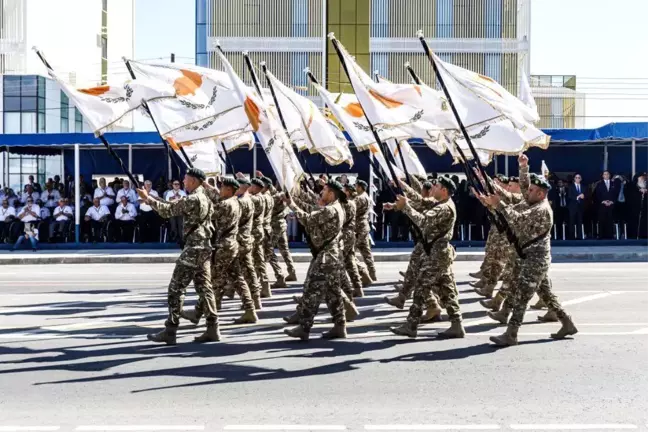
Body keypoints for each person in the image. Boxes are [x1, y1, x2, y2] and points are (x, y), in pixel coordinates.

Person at [478, 156, 578, 346]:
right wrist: (523, 168)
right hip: (525, 255)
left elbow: (516, 220)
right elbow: (524, 187)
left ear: (541, 194)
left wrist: (498, 204)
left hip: (535, 259)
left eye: (532, 190)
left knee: (522, 295)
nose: (527, 192)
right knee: (544, 293)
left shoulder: (541, 209)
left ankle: (511, 334)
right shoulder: (534, 200)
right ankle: (567, 323)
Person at [138, 167, 219, 345]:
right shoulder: (204, 196)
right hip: (204, 246)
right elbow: (173, 205)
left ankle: (171, 329)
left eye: (186, 179)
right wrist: (152, 197)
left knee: (176, 288)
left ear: (195, 181)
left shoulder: (193, 198)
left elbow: (168, 211)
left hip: (194, 248)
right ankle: (213, 328)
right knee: (205, 288)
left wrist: (148, 199)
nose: (183, 182)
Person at [388, 176, 465, 339]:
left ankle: (411, 325)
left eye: (436, 186)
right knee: (447, 290)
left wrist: (406, 207)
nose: (433, 189)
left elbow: (422, 222)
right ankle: (457, 324)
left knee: (421, 288)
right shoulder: (442, 203)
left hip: (436, 255)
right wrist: (403, 185)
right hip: (438, 254)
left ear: (444, 191)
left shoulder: (444, 208)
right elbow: (421, 200)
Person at [187, 177, 258, 325]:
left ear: (228, 189)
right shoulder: (236, 202)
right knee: (238, 278)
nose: (219, 189)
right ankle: (250, 311)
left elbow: (208, 213)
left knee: (212, 281)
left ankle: (198, 313)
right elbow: (216, 198)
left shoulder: (226, 204)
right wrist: (207, 187)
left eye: (222, 187)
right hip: (231, 245)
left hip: (224, 247)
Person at [283, 180, 348, 341]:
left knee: (313, 291)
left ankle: (304, 327)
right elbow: (313, 211)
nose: (321, 193)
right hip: (330, 256)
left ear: (332, 193)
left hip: (326, 257)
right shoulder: (337, 207)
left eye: (324, 191)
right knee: (333, 294)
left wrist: (291, 205)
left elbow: (307, 219)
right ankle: (340, 326)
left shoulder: (331, 210)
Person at [257, 172, 297, 288]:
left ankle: (279, 277)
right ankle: (292, 272)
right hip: (281, 225)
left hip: (275, 226)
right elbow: (274, 191)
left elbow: (272, 195)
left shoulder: (271, 198)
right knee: (284, 250)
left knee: (269, 252)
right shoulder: (279, 195)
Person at [233, 175, 264, 309]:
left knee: (236, 271)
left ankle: (250, 303)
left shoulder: (242, 201)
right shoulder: (248, 199)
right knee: (249, 270)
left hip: (240, 240)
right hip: (245, 238)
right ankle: (255, 300)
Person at [248, 178, 270, 298]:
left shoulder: (255, 198)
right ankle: (265, 286)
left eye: (251, 186)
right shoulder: (263, 196)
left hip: (254, 231)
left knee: (253, 260)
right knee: (259, 259)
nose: (249, 188)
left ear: (256, 188)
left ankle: (258, 287)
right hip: (259, 230)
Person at [354, 180, 378, 283]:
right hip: (363, 227)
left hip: (358, 228)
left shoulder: (359, 198)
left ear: (360, 187)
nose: (355, 187)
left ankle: (362, 274)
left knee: (349, 253)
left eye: (356, 186)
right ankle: (372, 274)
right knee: (367, 253)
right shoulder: (366, 196)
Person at [594, 170, 617, 239]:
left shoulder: (613, 184)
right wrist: (603, 201)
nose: (606, 175)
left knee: (610, 220)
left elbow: (616, 194)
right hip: (602, 205)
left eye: (607, 174)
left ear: (609, 175)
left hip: (611, 205)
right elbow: (597, 194)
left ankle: (610, 235)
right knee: (602, 220)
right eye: (605, 174)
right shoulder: (599, 184)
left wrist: (612, 201)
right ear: (602, 176)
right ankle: (601, 235)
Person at [567, 173, 586, 239]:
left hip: (581, 206)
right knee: (572, 221)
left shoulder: (583, 186)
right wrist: (577, 197)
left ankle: (579, 236)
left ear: (581, 179)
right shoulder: (570, 186)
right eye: (576, 177)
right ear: (574, 179)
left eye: (579, 177)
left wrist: (584, 196)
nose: (577, 179)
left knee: (580, 221)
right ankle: (571, 237)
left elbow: (587, 195)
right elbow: (569, 196)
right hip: (572, 207)